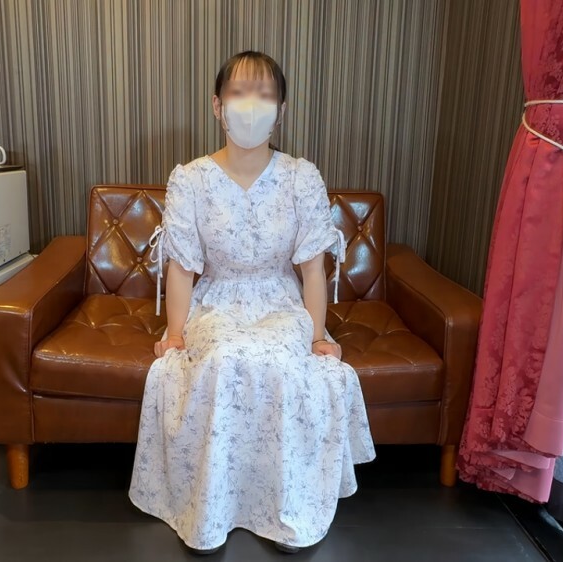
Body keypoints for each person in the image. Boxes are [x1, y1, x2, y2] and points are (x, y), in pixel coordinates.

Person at [128, 50, 376, 555]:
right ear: (217, 105)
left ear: (280, 110)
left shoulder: (301, 176)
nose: (250, 105)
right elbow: (182, 267)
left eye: (264, 95)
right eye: (239, 92)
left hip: (280, 301)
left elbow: (312, 269)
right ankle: (211, 512)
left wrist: (317, 335)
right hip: (216, 300)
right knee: (222, 358)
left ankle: (286, 510)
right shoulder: (191, 178)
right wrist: (174, 334)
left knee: (282, 364)